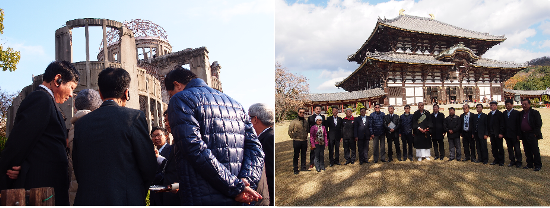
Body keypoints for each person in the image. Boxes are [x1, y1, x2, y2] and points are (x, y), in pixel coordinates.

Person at [165, 67, 263, 205]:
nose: (171, 98)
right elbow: (255, 148)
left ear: (177, 85)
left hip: (203, 197)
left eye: (170, 94)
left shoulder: (180, 99)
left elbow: (193, 148)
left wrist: (236, 187)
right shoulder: (236, 104)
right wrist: (246, 181)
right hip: (242, 198)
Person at [72, 67, 157, 205]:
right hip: (125, 199)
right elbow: (148, 166)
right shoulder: (134, 117)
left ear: (100, 93)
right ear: (126, 93)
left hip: (87, 200)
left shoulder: (81, 123)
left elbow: (78, 167)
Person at [0, 61, 79, 206]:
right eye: (71, 88)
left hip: (47, 188)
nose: (71, 95)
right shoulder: (41, 99)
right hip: (41, 189)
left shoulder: (47, 102)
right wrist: (11, 167)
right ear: (57, 80)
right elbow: (19, 141)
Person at [67, 89, 102, 206]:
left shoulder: (72, 128)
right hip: (95, 189)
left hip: (75, 186)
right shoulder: (97, 126)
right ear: (97, 107)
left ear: (76, 106)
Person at [248, 103, 274, 205]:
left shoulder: (269, 138)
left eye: (249, 118)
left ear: (255, 119)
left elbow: (270, 173)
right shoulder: (266, 136)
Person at [149, 127, 174, 206]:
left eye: (159, 135)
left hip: (167, 195)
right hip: (154, 196)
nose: (156, 138)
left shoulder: (171, 151)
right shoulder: (151, 153)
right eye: (153, 136)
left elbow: (171, 170)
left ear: (166, 136)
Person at [518, 99, 543, 171]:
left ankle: (537, 165)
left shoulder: (534, 113)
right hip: (524, 134)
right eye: (523, 104)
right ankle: (529, 164)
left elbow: (539, 124)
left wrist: (535, 133)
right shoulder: (521, 113)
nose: (524, 105)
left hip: (532, 134)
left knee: (535, 150)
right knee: (527, 150)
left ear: (529, 104)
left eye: (525, 104)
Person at [502, 99, 522, 168]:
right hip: (507, 134)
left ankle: (519, 161)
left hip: (515, 134)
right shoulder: (504, 113)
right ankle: (512, 160)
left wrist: (518, 134)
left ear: (512, 105)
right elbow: (503, 124)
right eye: (506, 105)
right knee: (509, 148)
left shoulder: (516, 113)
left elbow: (519, 125)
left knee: (517, 149)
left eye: (508, 105)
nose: (507, 106)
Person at [288, 108, 309, 174]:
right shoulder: (294, 121)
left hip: (304, 140)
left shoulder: (306, 121)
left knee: (303, 154)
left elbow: (307, 130)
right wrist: (293, 137)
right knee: (296, 155)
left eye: (303, 112)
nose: (302, 114)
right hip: (297, 141)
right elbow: (289, 131)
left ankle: (303, 167)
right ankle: (295, 168)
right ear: (298, 113)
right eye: (301, 112)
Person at [487, 101, 504, 166]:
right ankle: (496, 159)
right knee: (494, 147)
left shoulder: (499, 114)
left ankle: (501, 161)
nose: (492, 106)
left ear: (496, 106)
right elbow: (488, 124)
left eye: (493, 105)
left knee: (500, 147)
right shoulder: (489, 114)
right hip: (492, 133)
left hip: (498, 133)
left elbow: (502, 124)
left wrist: (501, 133)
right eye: (491, 105)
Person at [308, 105, 325, 169]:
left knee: (321, 151)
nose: (318, 110)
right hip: (314, 137)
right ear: (314, 110)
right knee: (313, 150)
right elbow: (308, 127)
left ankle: (320, 163)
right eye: (317, 109)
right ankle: (312, 163)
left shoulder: (323, 117)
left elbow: (324, 127)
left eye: (319, 109)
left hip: (321, 137)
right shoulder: (311, 117)